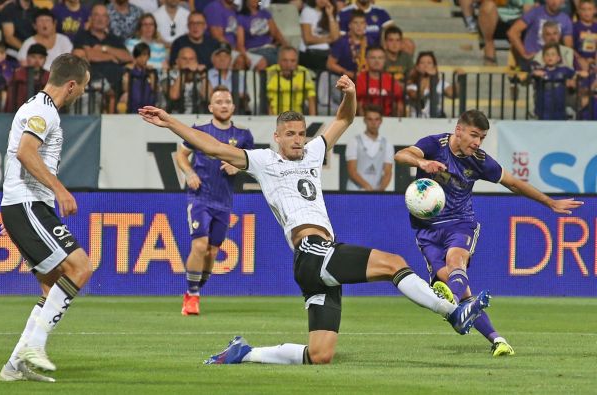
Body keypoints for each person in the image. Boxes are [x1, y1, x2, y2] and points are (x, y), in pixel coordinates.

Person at [139, 74, 492, 366]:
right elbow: (212, 147)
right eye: (289, 134)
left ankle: (244, 353)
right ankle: (451, 312)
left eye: (301, 132)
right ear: (276, 137)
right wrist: (170, 121)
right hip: (311, 249)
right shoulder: (262, 160)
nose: (297, 139)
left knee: (320, 354)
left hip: (314, 263)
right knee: (394, 264)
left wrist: (350, 95)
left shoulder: (313, 153)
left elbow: (343, 119)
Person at [394, 109, 583, 356]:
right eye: (474, 135)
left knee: (455, 263)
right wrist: (421, 162)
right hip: (426, 230)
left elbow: (514, 183)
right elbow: (401, 155)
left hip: (460, 223)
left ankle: (452, 307)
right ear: (458, 130)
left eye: (482, 137)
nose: (477, 142)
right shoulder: (434, 145)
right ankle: (497, 339)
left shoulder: (480, 160)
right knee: (462, 292)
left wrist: (551, 203)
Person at [0, 53, 92, 382]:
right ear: (71, 84)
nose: (82, 92)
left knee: (53, 286)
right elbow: (26, 152)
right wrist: (61, 189)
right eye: (83, 87)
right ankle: (33, 347)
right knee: (81, 266)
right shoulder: (42, 110)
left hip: (28, 206)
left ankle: (15, 365)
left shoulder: (40, 107)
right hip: (26, 204)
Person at [176, 85, 254, 315]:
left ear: (233, 106)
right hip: (200, 197)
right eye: (218, 101)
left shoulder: (243, 136)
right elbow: (181, 154)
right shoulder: (199, 130)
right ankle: (192, 295)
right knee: (199, 245)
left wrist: (237, 167)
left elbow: (252, 164)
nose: (223, 105)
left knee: (211, 252)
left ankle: (196, 287)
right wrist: (189, 173)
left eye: (227, 101)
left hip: (224, 201)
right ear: (211, 107)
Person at [507, 0, 572, 71]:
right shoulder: (535, 13)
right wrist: (524, 54)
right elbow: (512, 32)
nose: (554, 2)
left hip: (553, 61)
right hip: (534, 59)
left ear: (563, 1)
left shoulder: (565, 19)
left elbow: (568, 48)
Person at [345, 105, 393, 191]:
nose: (373, 123)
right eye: (370, 119)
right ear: (364, 120)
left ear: (381, 121)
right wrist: (368, 188)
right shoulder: (354, 141)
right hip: (355, 191)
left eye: (377, 119)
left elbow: (388, 173)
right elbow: (352, 171)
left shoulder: (387, 144)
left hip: (375, 193)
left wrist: (380, 190)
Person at [531, 43, 583, 120]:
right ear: (543, 58)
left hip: (560, 111)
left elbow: (577, 74)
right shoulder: (540, 72)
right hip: (543, 112)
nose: (550, 57)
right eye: (547, 55)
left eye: (553, 54)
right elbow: (529, 75)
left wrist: (574, 80)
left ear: (558, 58)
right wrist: (534, 73)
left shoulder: (564, 70)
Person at [406, 51, 463, 119]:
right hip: (416, 121)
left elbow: (453, 94)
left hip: (436, 122)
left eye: (429, 63)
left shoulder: (440, 83)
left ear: (434, 67)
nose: (425, 65)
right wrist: (427, 78)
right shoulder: (411, 84)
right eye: (422, 63)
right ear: (417, 67)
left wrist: (460, 78)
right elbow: (418, 96)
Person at [478, 0, 534, 65]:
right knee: (487, 6)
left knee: (525, 21)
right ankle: (489, 45)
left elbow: (528, 10)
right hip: (495, 18)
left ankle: (518, 57)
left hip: (517, 18)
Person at [266, 45, 316, 115]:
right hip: (275, 117)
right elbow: (266, 100)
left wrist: (312, 119)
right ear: (278, 61)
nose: (288, 64)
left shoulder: (303, 72)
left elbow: (311, 97)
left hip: (297, 118)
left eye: (293, 61)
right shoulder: (270, 72)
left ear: (297, 62)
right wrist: (272, 121)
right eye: (285, 60)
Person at [355, 45, 403, 117]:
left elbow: (399, 104)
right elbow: (355, 103)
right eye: (373, 58)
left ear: (385, 60)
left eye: (380, 58)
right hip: (364, 120)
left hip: (388, 120)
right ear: (366, 60)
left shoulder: (392, 80)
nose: (377, 61)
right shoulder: (359, 79)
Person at [4, 43, 50, 112]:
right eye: (33, 57)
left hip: (44, 114)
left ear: (45, 59)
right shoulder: (18, 75)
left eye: (41, 57)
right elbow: (10, 99)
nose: (37, 61)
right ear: (27, 58)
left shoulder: (49, 77)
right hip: (20, 113)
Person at [298, 0, 340, 71]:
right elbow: (308, 39)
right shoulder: (308, 11)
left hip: (327, 53)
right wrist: (329, 39)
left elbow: (336, 36)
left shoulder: (332, 12)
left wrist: (330, 15)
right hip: (310, 53)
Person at [572, 0, 597, 72]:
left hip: (593, 61)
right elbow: (570, 47)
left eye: (589, 9)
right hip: (578, 61)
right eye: (583, 9)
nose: (587, 12)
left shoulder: (596, 27)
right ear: (578, 11)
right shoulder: (575, 27)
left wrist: (594, 60)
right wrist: (580, 59)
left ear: (594, 10)